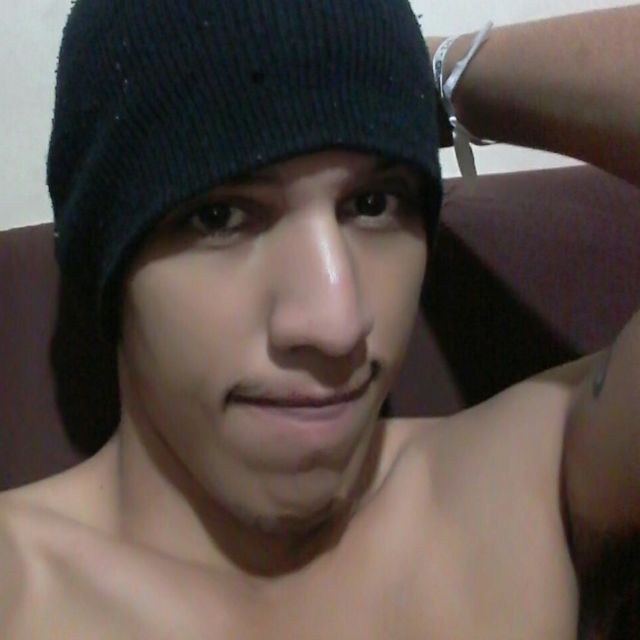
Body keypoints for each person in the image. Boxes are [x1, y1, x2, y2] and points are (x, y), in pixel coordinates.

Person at [1, 1, 638, 638]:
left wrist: (435, 73)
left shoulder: (521, 479)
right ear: (108, 261)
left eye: (373, 203)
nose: (337, 325)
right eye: (220, 216)